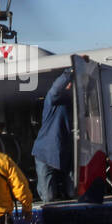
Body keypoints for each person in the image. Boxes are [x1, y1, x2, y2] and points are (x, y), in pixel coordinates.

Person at [31, 69, 74, 202]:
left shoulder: (71, 104)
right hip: (45, 153)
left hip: (63, 152)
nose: (70, 86)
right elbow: (56, 89)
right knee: (48, 196)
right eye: (68, 84)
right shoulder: (53, 99)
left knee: (73, 192)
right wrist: (69, 72)